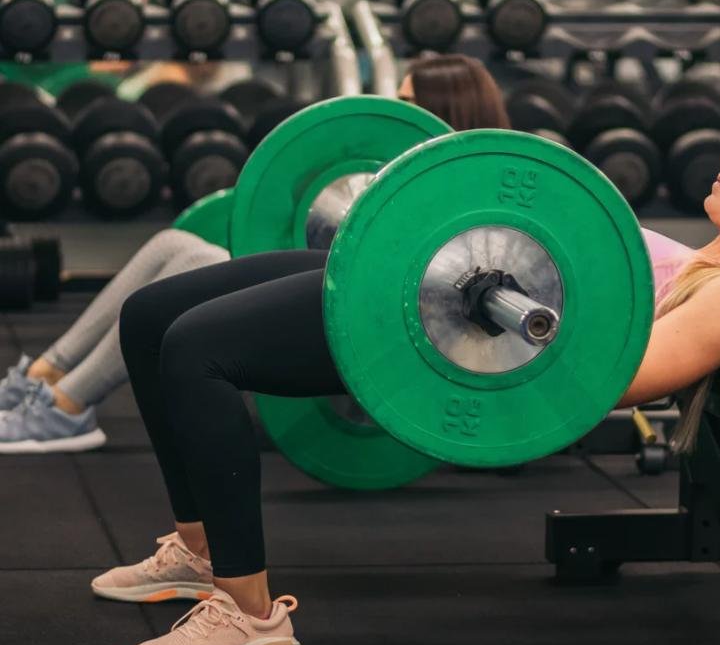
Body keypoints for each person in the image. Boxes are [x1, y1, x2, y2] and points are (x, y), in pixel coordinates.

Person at [92, 104, 720, 645]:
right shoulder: (703, 261)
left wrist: (520, 305)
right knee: (152, 315)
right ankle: (198, 552)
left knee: (196, 350)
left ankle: (248, 614)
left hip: (438, 331)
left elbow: (612, 381)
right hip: (431, 276)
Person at [0, 54, 511, 453]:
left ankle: (66, 408)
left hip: (374, 326)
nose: (397, 116)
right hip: (339, 290)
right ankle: (47, 375)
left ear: (446, 117)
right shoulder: (407, 181)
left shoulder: (469, 201)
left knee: (193, 264)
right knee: (173, 244)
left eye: (410, 105)